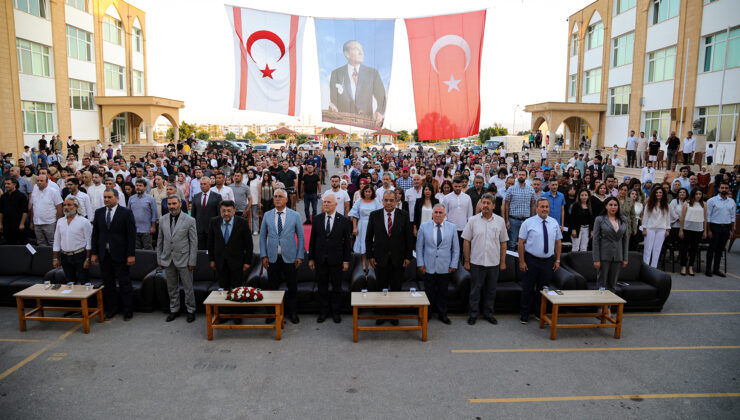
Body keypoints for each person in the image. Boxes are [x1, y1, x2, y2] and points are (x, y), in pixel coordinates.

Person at [365, 190, 414, 326]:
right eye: (386, 200)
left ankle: (394, 314)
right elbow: (368, 238)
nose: (388, 203)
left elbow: (409, 238)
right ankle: (381, 313)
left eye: (391, 200)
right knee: (381, 288)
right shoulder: (374, 215)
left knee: (396, 288)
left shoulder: (403, 215)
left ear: (396, 201)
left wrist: (408, 256)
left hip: (398, 259)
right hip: (379, 259)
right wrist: (370, 256)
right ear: (382, 201)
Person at [461, 193, 508, 325]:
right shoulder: (472, 220)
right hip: (476, 262)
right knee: (475, 290)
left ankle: (488, 313)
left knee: (491, 290)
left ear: (493, 205)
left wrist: (503, 262)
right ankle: (473, 314)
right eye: (484, 203)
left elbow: (504, 242)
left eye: (488, 203)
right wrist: (466, 261)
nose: (485, 205)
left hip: (494, 263)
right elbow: (466, 241)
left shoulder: (500, 221)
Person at [90, 188, 136, 321]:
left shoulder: (126, 212)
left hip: (121, 255)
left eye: (109, 197)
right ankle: (112, 309)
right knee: (108, 283)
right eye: (105, 197)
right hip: (104, 255)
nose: (106, 199)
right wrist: (94, 253)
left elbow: (131, 235)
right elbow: (95, 235)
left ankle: (128, 310)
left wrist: (131, 254)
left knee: (124, 283)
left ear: (117, 198)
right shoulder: (99, 213)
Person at [259, 189, 304, 324]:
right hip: (272, 258)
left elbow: (301, 237)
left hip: (290, 258)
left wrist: (300, 255)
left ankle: (292, 313)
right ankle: (272, 313)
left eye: (280, 197)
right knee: (272, 287)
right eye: (275, 197)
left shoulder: (295, 215)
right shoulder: (267, 215)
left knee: (292, 287)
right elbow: (262, 238)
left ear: (286, 200)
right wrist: (263, 255)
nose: (277, 199)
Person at [517, 198, 562, 325]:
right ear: (536, 208)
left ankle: (539, 313)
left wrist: (557, 260)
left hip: (548, 261)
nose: (544, 209)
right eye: (542, 206)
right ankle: (524, 314)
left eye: (546, 207)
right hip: (531, 260)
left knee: (543, 290)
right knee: (527, 288)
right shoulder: (528, 222)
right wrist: (522, 261)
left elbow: (558, 242)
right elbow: (520, 243)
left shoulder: (554, 223)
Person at [308, 194, 352, 323]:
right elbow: (312, 240)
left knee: (336, 288)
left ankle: (336, 312)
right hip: (320, 259)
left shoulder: (344, 220)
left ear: (335, 204)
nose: (325, 204)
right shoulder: (317, 219)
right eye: (324, 202)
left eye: (328, 202)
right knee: (322, 287)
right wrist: (311, 258)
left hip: (336, 260)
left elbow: (347, 244)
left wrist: (346, 260)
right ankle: (323, 312)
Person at [208, 200, 253, 324]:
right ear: (220, 211)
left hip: (237, 262)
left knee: (237, 289)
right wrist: (211, 259)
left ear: (233, 211)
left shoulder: (242, 223)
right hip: (220, 262)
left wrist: (247, 262)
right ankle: (225, 314)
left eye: (229, 211)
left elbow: (249, 245)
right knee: (223, 289)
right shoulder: (214, 222)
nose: (226, 213)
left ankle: (237, 315)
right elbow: (210, 243)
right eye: (223, 211)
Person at [157, 195, 198, 323]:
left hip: (184, 259)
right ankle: (174, 309)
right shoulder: (163, 219)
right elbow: (160, 241)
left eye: (174, 204)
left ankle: (191, 310)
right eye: (169, 204)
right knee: (171, 286)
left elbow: (194, 243)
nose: (172, 207)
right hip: (168, 259)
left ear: (180, 204)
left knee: (188, 287)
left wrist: (192, 261)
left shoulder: (189, 220)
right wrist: (160, 259)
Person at [417, 204, 459, 325]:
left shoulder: (452, 227)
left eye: (441, 213)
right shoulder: (424, 227)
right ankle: (428, 313)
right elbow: (419, 247)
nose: (438, 215)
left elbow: (456, 249)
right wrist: (420, 263)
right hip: (428, 266)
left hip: (445, 266)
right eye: (436, 212)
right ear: (432, 214)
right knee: (428, 291)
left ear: (445, 215)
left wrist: (453, 264)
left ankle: (443, 314)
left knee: (443, 292)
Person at [328, 39, 386, 127]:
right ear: (346, 54)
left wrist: (379, 112)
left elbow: (382, 97)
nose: (361, 52)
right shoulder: (336, 74)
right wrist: (333, 107)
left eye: (361, 49)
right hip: (344, 124)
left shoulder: (373, 73)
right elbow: (334, 100)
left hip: (367, 124)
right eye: (356, 49)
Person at [592, 197, 629, 309]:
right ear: (606, 206)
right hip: (604, 255)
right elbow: (595, 240)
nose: (613, 207)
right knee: (602, 283)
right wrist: (596, 259)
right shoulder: (600, 219)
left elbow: (625, 240)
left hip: (618, 256)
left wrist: (625, 258)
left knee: (613, 284)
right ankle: (600, 308)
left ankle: (607, 308)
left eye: (615, 205)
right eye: (611, 205)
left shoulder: (623, 219)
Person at [52, 196, 92, 285]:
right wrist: (55, 258)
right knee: (70, 283)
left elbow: (89, 241)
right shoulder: (60, 221)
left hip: (80, 255)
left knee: (85, 283)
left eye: (69, 205)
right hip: (65, 256)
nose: (66, 207)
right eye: (64, 205)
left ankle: (88, 299)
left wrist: (87, 258)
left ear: (76, 207)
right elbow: (57, 240)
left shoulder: (84, 221)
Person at [705, 182, 736, 277]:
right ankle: (708, 269)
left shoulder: (731, 201)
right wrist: (709, 230)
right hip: (715, 226)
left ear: (728, 189)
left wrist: (732, 229)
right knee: (712, 248)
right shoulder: (712, 201)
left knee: (720, 249)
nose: (724, 189)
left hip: (726, 227)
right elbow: (708, 217)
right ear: (718, 189)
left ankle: (716, 269)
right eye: (722, 188)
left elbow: (732, 217)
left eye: (726, 188)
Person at [348, 184, 381, 271]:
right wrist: (354, 228)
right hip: (362, 225)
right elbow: (354, 215)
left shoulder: (376, 201)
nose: (367, 193)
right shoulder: (359, 201)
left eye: (369, 191)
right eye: (366, 191)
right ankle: (363, 264)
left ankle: (371, 264)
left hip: (373, 225)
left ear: (372, 192)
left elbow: (380, 214)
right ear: (363, 192)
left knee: (371, 244)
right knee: (363, 243)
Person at [504, 170, 536, 250]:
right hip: (513, 220)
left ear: (526, 177)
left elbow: (533, 205)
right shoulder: (511, 189)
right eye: (520, 174)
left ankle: (522, 261)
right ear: (517, 176)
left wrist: (533, 220)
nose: (521, 176)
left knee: (525, 243)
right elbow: (506, 205)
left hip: (526, 221)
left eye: (523, 175)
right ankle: (511, 262)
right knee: (512, 243)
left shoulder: (531, 189)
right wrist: (507, 220)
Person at [679, 188, 707, 276]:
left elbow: (705, 219)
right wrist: (681, 230)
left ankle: (691, 266)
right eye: (696, 194)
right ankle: (683, 266)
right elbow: (682, 217)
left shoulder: (704, 204)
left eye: (700, 194)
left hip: (698, 229)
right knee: (684, 248)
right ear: (693, 194)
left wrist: (705, 231)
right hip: (687, 228)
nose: (698, 196)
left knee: (694, 249)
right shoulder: (687, 203)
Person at [641, 186, 670, 268]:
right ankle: (645, 267)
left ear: (663, 194)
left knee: (657, 250)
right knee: (648, 249)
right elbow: (645, 217)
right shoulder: (649, 204)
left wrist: (668, 230)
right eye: (657, 192)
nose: (658, 194)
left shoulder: (666, 205)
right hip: (650, 228)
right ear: (654, 194)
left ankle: (654, 267)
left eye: (660, 192)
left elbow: (668, 218)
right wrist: (644, 228)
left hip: (661, 229)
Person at [29, 175, 63, 246]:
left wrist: (58, 222)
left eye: (41, 181)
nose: (39, 182)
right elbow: (33, 207)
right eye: (38, 181)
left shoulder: (53, 192)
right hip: (37, 223)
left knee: (53, 243)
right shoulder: (34, 192)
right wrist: (31, 222)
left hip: (50, 222)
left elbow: (59, 207)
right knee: (40, 243)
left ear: (47, 182)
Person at [191, 177, 222, 249]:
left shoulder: (217, 197)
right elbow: (193, 214)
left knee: (211, 250)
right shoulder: (196, 196)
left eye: (205, 184)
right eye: (201, 184)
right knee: (200, 251)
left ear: (209, 185)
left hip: (212, 229)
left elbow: (219, 214)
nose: (202, 186)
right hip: (199, 230)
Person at [443, 177, 473, 251]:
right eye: (456, 186)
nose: (457, 188)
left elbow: (470, 214)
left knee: (463, 249)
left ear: (462, 186)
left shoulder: (467, 197)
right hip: (451, 228)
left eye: (459, 186)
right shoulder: (447, 198)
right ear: (452, 185)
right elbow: (444, 214)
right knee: (452, 248)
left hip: (464, 228)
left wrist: (469, 227)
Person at [128, 179, 158, 250]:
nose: (138, 187)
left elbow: (154, 214)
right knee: (136, 250)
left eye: (140, 186)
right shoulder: (131, 198)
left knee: (148, 249)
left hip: (147, 230)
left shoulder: (150, 199)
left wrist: (153, 227)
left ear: (145, 187)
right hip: (135, 229)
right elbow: (128, 214)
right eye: (137, 185)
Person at [0, 178, 29, 244]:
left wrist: (22, 224)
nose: (6, 185)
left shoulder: (21, 196)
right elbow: (1, 211)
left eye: (8, 184)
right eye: (5, 184)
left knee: (21, 244)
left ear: (14, 185)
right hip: (7, 225)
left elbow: (25, 211)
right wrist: (0, 224)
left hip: (18, 225)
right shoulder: (3, 196)